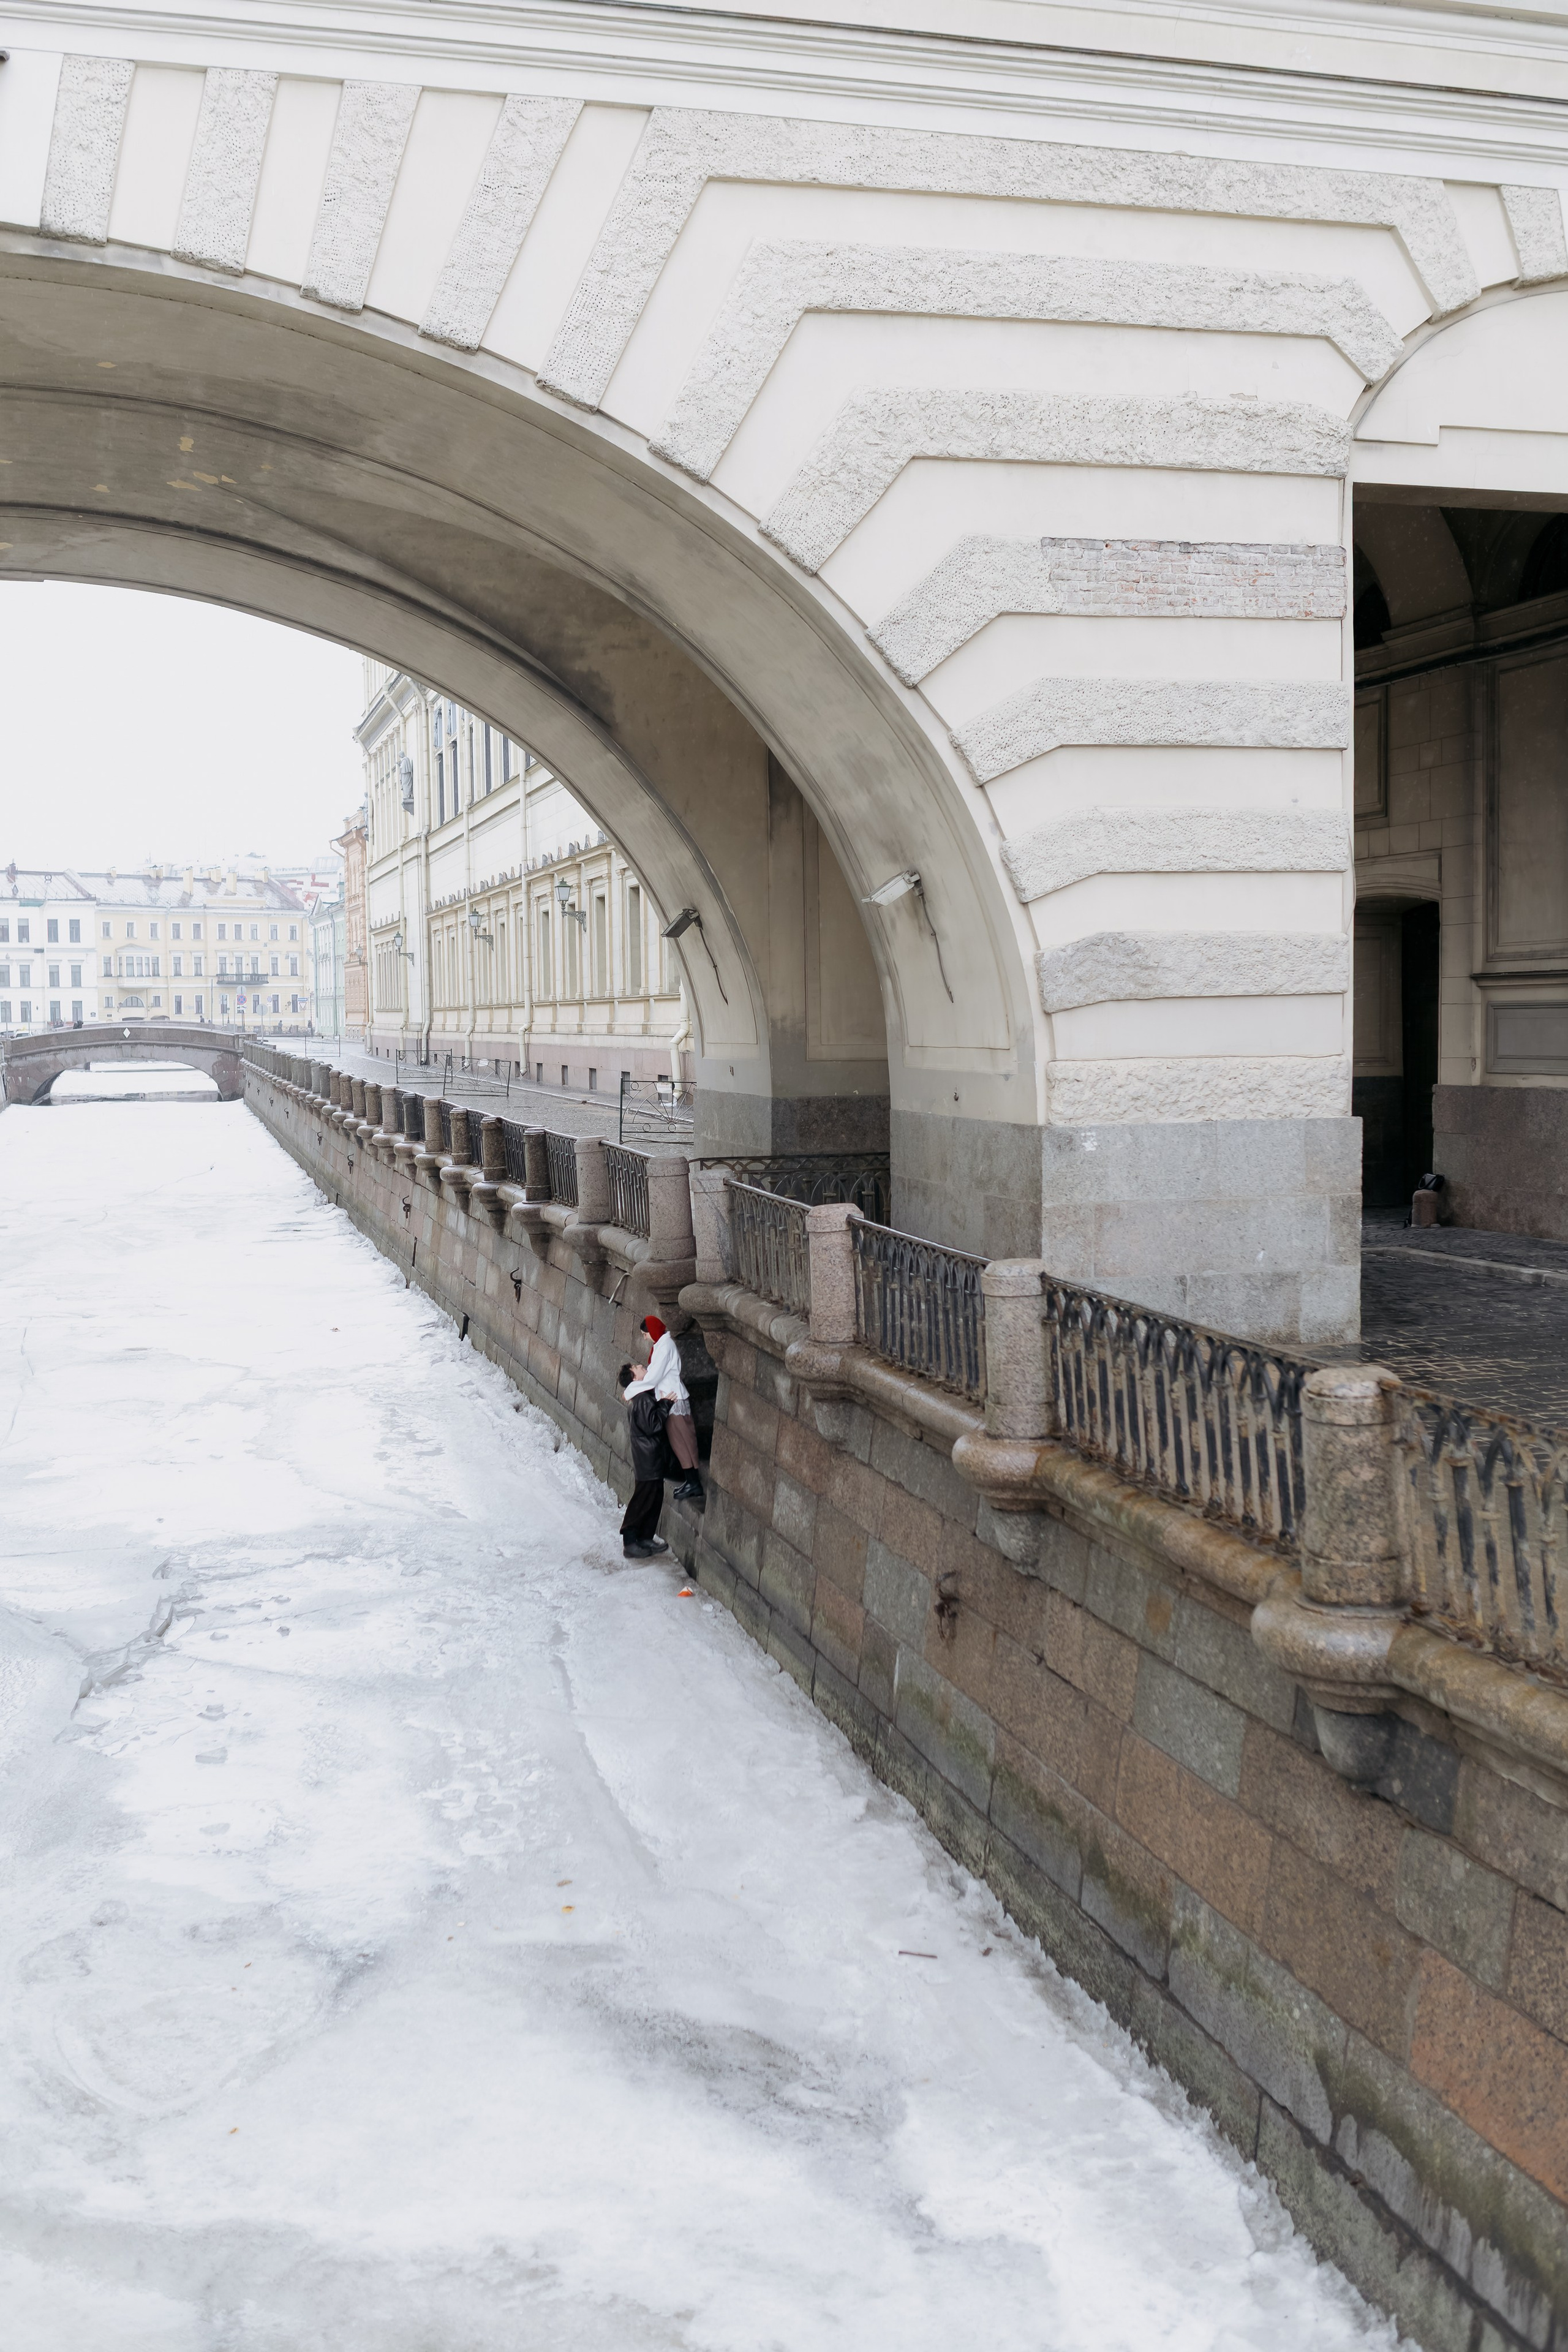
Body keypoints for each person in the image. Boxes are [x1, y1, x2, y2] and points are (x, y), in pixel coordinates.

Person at [626, 1315, 703, 1503]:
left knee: (684, 1441)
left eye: (645, 1334)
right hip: (669, 1398)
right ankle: (691, 1480)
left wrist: (630, 1391)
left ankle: (694, 1482)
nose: (645, 1338)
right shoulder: (661, 1347)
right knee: (679, 1442)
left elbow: (652, 1377)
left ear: (652, 1332)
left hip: (674, 1399)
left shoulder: (665, 1347)